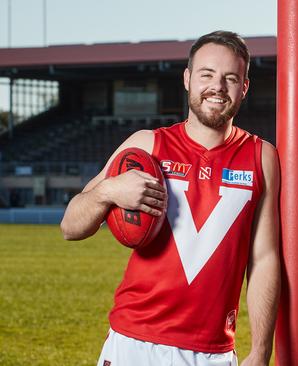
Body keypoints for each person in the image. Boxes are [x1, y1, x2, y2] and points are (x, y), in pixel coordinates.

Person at [60, 30, 280, 366]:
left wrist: (261, 350)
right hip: (134, 342)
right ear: (188, 79)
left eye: (230, 78)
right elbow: (70, 226)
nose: (217, 87)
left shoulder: (262, 156)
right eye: (207, 74)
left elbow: (264, 257)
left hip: (213, 353)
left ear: (244, 88)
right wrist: (109, 191)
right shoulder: (147, 145)